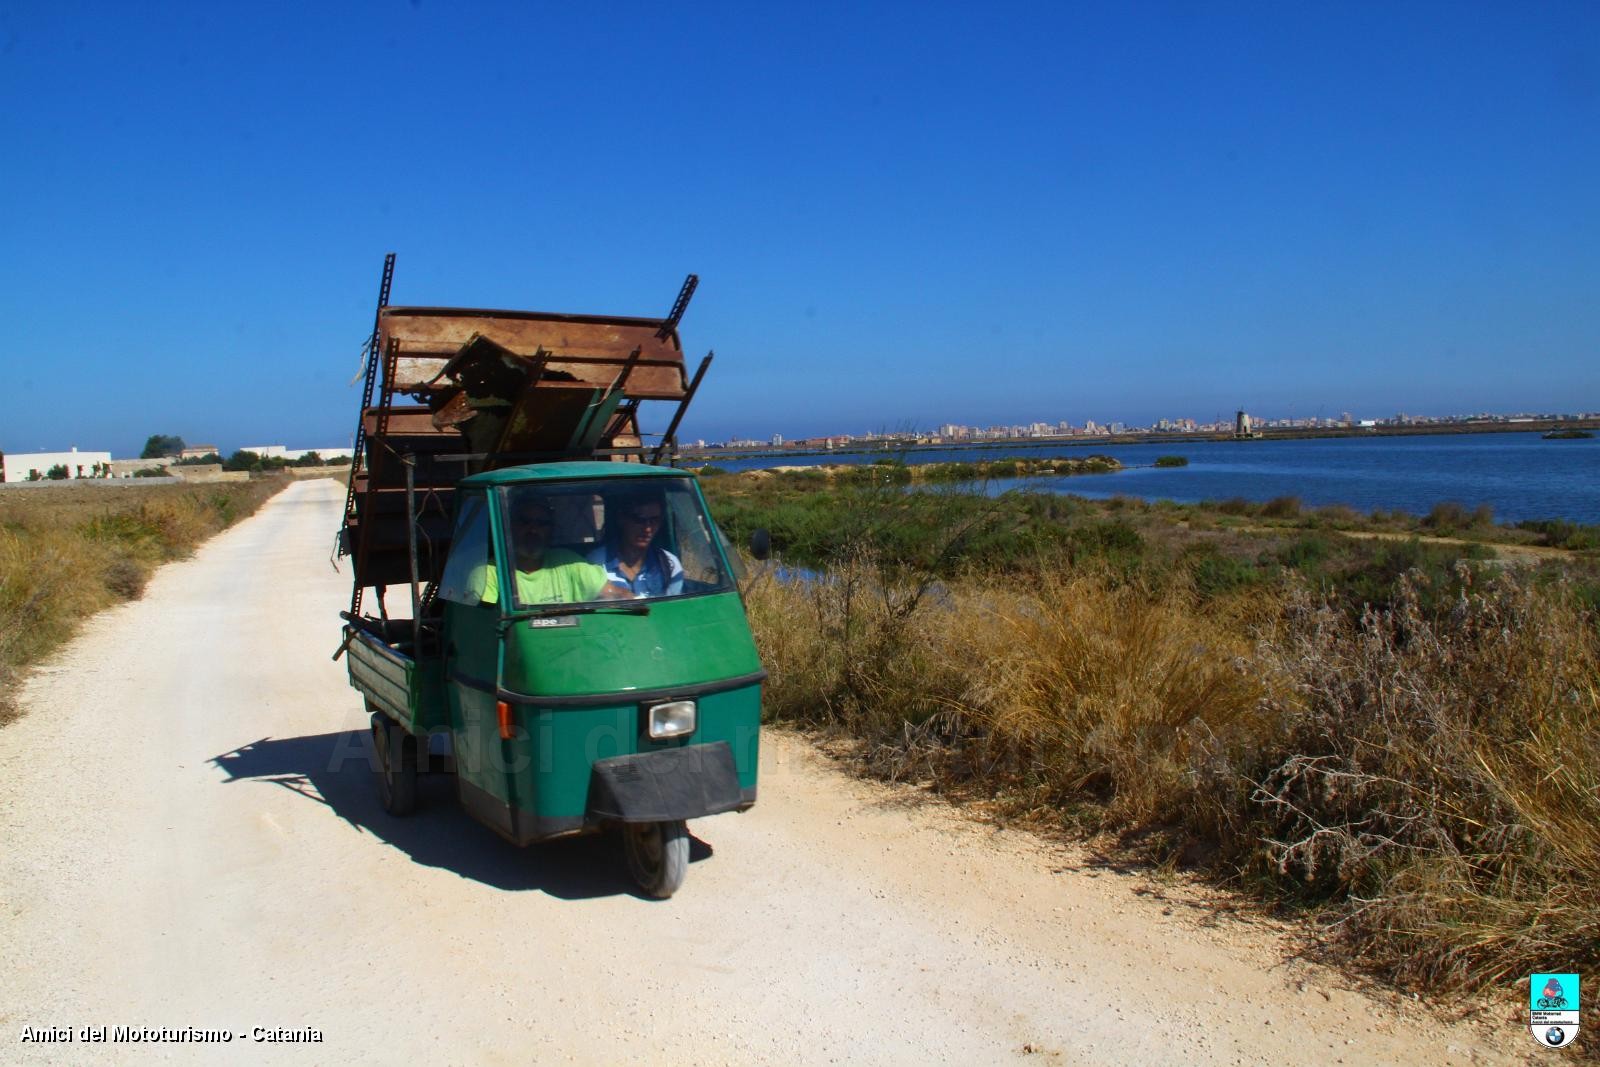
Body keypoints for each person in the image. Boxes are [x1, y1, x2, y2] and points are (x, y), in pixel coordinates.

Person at [479, 497, 625, 605]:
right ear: (510, 526)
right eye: (524, 522)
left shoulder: (568, 562)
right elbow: (485, 624)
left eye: (542, 523)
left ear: (551, 530)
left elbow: (616, 594)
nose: (533, 530)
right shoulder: (490, 573)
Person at [588, 492, 684, 598]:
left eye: (654, 520)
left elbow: (673, 608)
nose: (648, 529)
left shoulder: (670, 564)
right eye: (639, 520)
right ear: (622, 519)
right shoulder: (596, 563)